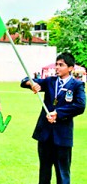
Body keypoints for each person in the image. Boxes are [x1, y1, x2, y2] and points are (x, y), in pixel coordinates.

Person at [20, 52, 86, 184]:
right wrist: (31, 84)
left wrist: (58, 113)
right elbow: (24, 81)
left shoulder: (76, 85)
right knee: (44, 171)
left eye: (61, 65)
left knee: (62, 173)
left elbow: (80, 105)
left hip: (62, 136)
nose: (57, 68)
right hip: (45, 135)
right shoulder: (50, 81)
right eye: (56, 64)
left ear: (71, 68)